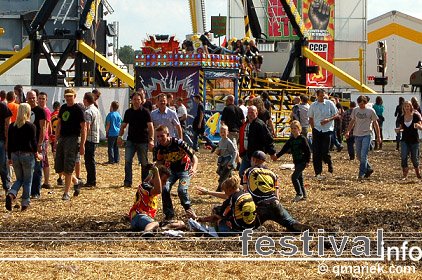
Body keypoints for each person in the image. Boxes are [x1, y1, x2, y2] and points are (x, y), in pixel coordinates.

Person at [243, 151, 313, 233]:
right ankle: (294, 225)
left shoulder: (248, 172)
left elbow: (246, 192)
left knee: (248, 226)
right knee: (288, 220)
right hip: (274, 204)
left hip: (260, 206)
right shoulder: (273, 174)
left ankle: (254, 229)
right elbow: (277, 196)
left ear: (254, 160)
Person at [187, 175, 256, 237]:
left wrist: (197, 218)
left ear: (229, 189)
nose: (225, 193)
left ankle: (214, 232)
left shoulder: (231, 200)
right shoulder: (245, 193)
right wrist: (208, 192)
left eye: (225, 191)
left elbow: (216, 217)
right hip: (250, 227)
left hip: (237, 230)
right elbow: (225, 195)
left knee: (217, 212)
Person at [155, 125, 198, 220]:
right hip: (171, 171)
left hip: (184, 170)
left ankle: (189, 210)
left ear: (168, 134)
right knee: (164, 188)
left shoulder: (179, 143)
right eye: (158, 136)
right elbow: (159, 162)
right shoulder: (158, 147)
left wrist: (194, 168)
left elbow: (194, 157)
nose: (160, 139)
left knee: (181, 190)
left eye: (162, 136)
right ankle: (169, 213)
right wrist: (155, 174)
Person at [129, 164, 185, 236]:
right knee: (154, 223)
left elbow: (149, 178)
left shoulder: (150, 183)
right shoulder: (145, 186)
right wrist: (156, 172)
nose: (164, 184)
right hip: (138, 217)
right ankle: (146, 233)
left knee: (181, 223)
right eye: (163, 180)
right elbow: (158, 190)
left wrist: (153, 172)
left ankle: (162, 229)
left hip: (149, 219)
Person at [5, 103, 41, 211]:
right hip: (27, 155)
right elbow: (34, 142)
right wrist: (36, 153)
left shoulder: (12, 126)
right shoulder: (31, 126)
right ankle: (25, 203)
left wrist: (9, 157)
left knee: (19, 179)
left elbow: (10, 143)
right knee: (28, 180)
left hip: (15, 154)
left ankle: (11, 193)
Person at [54, 88, 86, 200]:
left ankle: (66, 193)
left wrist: (82, 144)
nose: (68, 98)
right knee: (59, 167)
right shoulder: (63, 108)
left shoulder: (78, 109)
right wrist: (56, 140)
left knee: (68, 166)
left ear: (75, 96)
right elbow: (59, 124)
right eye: (66, 96)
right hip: (62, 138)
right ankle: (76, 181)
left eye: (70, 96)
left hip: (73, 139)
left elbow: (84, 127)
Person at [118, 92, 154, 186]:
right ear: (132, 100)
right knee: (127, 160)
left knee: (144, 163)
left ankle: (145, 182)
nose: (136, 101)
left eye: (138, 99)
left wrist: (151, 140)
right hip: (131, 140)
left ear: (142, 101)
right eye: (134, 99)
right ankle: (127, 181)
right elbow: (124, 126)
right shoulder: (128, 112)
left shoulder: (145, 112)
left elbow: (150, 127)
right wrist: (120, 137)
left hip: (143, 141)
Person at [345, 95, 381, 182]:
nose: (360, 106)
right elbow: (352, 121)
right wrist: (348, 131)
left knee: (364, 155)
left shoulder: (370, 111)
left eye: (362, 104)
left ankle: (361, 173)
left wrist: (378, 136)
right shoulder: (355, 110)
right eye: (359, 104)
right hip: (357, 134)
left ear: (365, 103)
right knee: (359, 156)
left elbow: (376, 124)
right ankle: (368, 168)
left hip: (367, 134)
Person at [275, 121, 311, 202]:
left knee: (294, 177)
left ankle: (299, 194)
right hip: (296, 161)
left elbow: (308, 150)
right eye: (292, 128)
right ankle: (304, 195)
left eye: (295, 128)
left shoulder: (302, 139)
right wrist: (277, 156)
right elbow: (284, 149)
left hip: (302, 161)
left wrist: (308, 161)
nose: (293, 130)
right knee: (300, 178)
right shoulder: (291, 140)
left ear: (299, 129)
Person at [238, 106, 277, 182]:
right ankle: (248, 188)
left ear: (256, 113)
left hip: (256, 155)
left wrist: (272, 152)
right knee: (242, 173)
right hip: (247, 153)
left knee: (256, 174)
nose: (250, 114)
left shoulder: (260, 124)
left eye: (252, 112)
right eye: (249, 112)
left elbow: (268, 139)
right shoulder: (246, 124)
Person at [307, 89, 339, 179]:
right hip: (317, 129)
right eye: (321, 95)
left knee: (325, 150)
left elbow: (337, 114)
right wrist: (313, 128)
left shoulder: (329, 104)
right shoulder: (313, 105)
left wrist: (328, 120)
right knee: (316, 152)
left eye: (323, 95)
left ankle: (329, 162)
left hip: (327, 129)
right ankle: (318, 172)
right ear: (317, 96)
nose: (322, 97)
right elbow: (311, 117)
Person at [26, 90, 46, 199]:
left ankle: (35, 192)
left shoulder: (40, 111)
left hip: (37, 143)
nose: (32, 100)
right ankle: (27, 192)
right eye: (30, 98)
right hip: (26, 144)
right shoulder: (24, 109)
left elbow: (43, 128)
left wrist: (40, 143)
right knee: (27, 169)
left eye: (34, 98)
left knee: (38, 168)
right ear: (27, 98)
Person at [398, 101, 422, 180]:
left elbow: (421, 127)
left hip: (414, 140)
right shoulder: (402, 117)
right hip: (405, 140)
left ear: (411, 107)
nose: (406, 108)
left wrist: (418, 126)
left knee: (414, 158)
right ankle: (405, 174)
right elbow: (401, 128)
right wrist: (398, 130)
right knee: (404, 156)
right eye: (405, 106)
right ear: (403, 108)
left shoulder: (415, 116)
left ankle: (417, 172)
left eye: (408, 106)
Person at [83, 92, 100, 188]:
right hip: (95, 137)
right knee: (91, 159)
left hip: (89, 138)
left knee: (89, 160)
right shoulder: (96, 110)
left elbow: (87, 127)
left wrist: (83, 139)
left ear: (86, 100)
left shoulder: (88, 112)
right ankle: (92, 180)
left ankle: (91, 180)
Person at [215, 125, 237, 192]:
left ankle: (219, 190)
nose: (223, 133)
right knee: (221, 172)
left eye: (224, 132)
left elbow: (235, 151)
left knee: (223, 177)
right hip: (223, 160)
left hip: (228, 161)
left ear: (228, 132)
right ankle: (235, 187)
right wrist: (218, 152)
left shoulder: (228, 141)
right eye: (221, 132)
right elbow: (220, 151)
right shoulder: (220, 141)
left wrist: (231, 161)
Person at [38, 92, 52, 190]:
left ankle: (46, 181)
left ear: (46, 100)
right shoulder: (41, 110)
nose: (41, 100)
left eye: (43, 98)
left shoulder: (45, 111)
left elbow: (46, 126)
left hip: (43, 139)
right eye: (40, 98)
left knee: (43, 160)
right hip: (44, 138)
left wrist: (45, 138)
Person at [49, 101, 62, 185]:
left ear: (53, 107)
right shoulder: (61, 115)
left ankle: (57, 165)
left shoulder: (51, 115)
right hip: (61, 137)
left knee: (55, 153)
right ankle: (60, 176)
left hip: (53, 136)